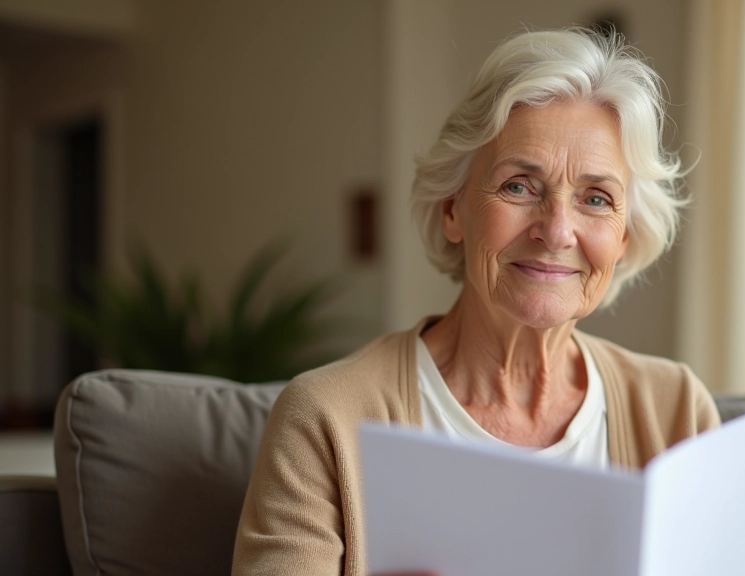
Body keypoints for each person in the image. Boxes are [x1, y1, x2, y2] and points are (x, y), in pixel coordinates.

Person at [232, 27, 720, 576]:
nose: (557, 230)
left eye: (595, 198)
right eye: (519, 185)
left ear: (624, 237)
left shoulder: (676, 410)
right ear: (452, 209)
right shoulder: (325, 419)